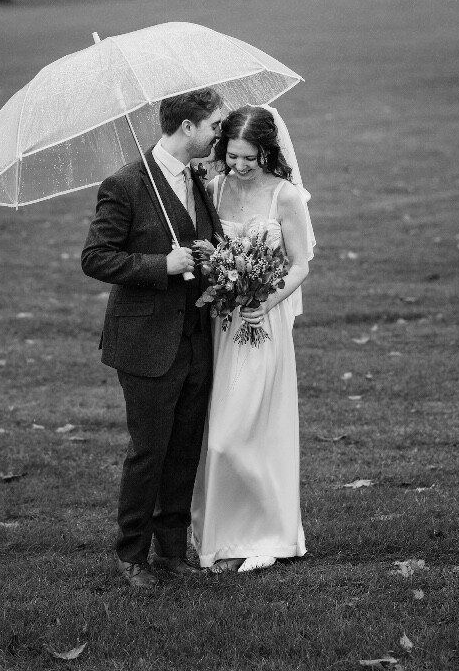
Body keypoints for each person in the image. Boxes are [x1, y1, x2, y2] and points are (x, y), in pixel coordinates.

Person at [81, 89, 223, 589]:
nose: (217, 134)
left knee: (184, 447)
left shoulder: (197, 178)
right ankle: (131, 553)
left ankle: (170, 548)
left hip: (195, 339)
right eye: (212, 125)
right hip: (145, 342)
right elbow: (96, 257)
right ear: (187, 126)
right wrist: (159, 265)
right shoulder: (124, 184)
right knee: (150, 450)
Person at [191, 105, 315, 573]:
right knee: (218, 434)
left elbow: (301, 262)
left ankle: (270, 536)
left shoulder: (286, 197)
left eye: (250, 157)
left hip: (265, 322)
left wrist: (264, 300)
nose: (240, 165)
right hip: (222, 323)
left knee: (258, 428)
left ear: (268, 151)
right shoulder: (214, 189)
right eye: (232, 154)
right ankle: (220, 539)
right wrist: (218, 277)